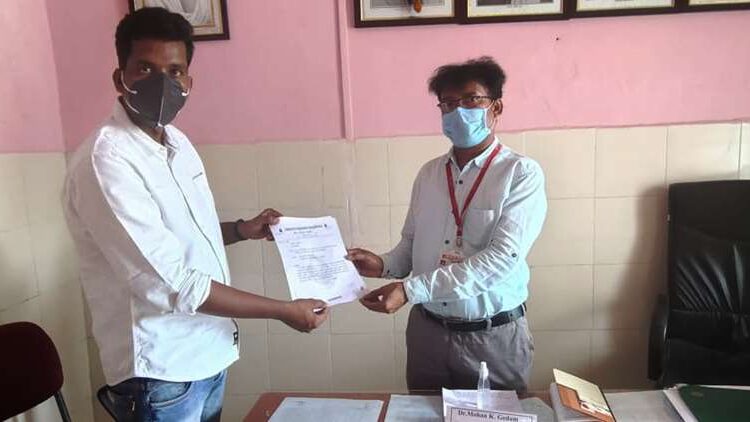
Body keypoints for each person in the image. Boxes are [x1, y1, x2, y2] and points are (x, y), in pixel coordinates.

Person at [62, 8, 327, 421]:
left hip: (208, 354)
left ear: (189, 82)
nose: (162, 83)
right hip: (162, 373)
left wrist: (242, 230)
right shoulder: (107, 160)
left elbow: (185, 235)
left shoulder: (177, 143)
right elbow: (171, 282)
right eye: (145, 69)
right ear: (120, 78)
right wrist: (282, 309)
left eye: (175, 71)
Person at [348, 57, 547, 393]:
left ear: (496, 108)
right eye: (449, 103)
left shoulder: (520, 174)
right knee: (422, 414)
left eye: (471, 100)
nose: (458, 111)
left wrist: (409, 291)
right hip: (428, 334)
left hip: (491, 338)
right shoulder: (429, 175)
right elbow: (410, 247)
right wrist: (381, 264)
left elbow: (501, 260)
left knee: (496, 416)